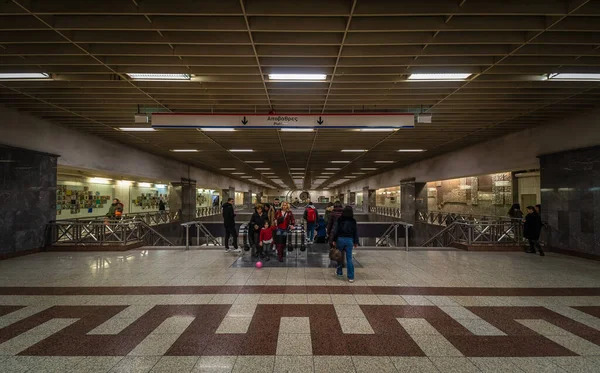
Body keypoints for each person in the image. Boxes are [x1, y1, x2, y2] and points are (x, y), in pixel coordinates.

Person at [332, 206, 359, 283]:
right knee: (349, 258)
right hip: (349, 240)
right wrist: (356, 242)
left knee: (339, 256)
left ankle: (339, 272)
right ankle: (351, 277)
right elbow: (355, 232)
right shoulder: (353, 221)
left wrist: (334, 239)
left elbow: (336, 230)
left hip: (340, 239)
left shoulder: (340, 219)